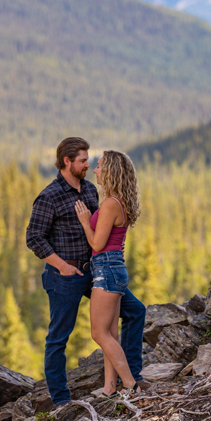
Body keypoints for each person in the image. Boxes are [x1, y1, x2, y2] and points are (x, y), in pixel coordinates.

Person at [26, 137, 147, 407]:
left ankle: (129, 379)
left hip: (97, 273)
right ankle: (61, 402)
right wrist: (62, 266)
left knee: (135, 311)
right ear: (66, 162)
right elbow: (34, 237)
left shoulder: (91, 191)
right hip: (65, 277)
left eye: (90, 160)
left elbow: (100, 231)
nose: (88, 165)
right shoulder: (49, 196)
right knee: (58, 338)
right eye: (82, 161)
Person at [74, 150, 141, 397]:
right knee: (110, 334)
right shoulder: (119, 201)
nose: (95, 170)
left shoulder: (111, 203)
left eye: (100, 166)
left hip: (105, 269)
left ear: (111, 171)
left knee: (98, 333)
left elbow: (97, 244)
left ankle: (131, 385)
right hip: (113, 268)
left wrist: (83, 220)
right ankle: (109, 388)